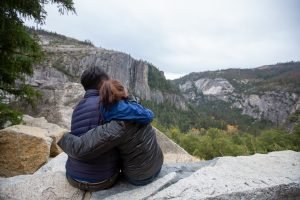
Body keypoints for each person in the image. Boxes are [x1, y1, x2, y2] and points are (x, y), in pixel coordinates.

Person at [59, 79, 163, 187]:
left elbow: (81, 148)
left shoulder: (117, 126)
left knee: (110, 148)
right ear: (123, 93)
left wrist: (64, 138)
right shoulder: (135, 107)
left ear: (102, 98)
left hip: (139, 177)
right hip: (158, 164)